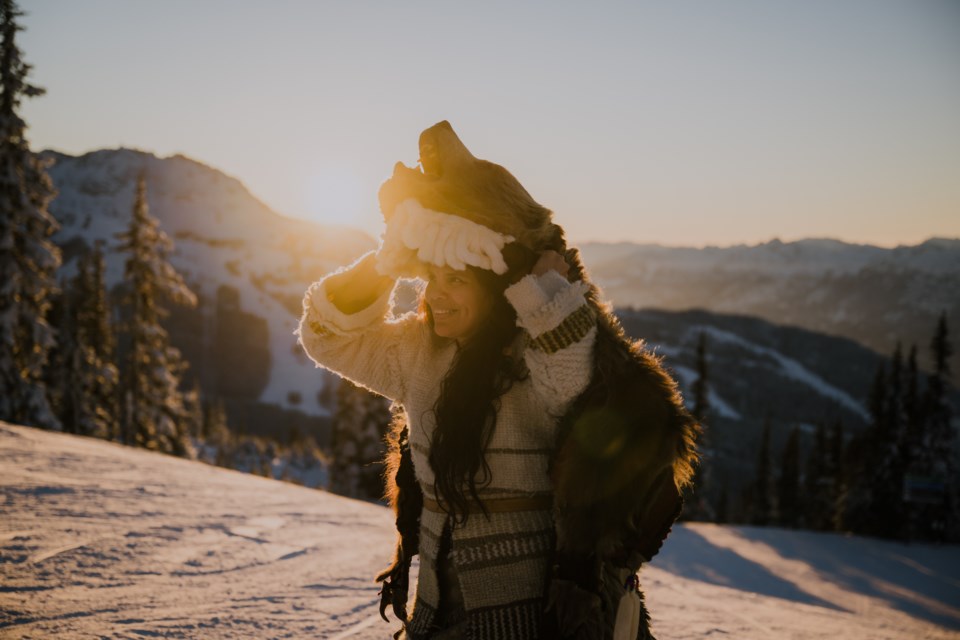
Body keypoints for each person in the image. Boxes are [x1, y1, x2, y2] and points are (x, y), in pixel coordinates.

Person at [298, 122, 695, 640]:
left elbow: (572, 371)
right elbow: (326, 338)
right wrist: (389, 258)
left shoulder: (536, 354)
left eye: (457, 280)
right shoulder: (420, 352)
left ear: (495, 287)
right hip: (435, 613)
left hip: (528, 621)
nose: (437, 295)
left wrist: (535, 280)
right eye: (431, 278)